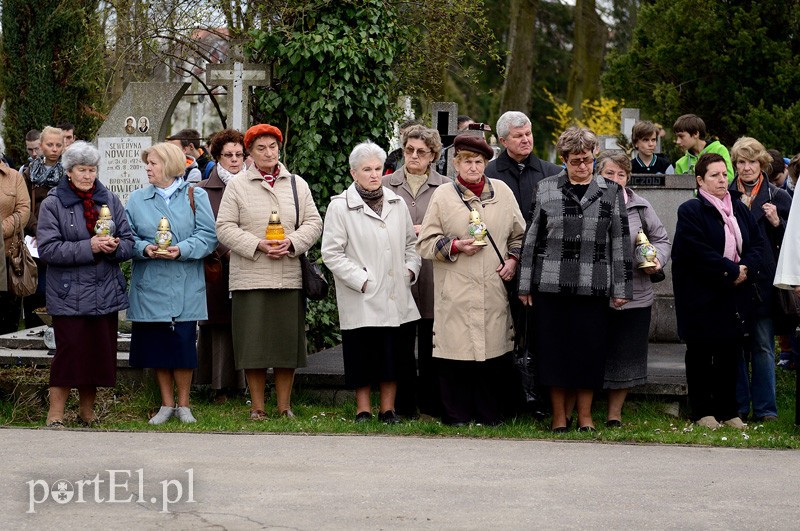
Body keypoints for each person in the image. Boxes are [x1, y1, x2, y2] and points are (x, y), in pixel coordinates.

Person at [518, 127, 633, 433]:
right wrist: (524, 284)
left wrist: (621, 287)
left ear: (594, 156)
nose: (582, 166)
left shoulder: (610, 190)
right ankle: (558, 416)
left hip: (593, 284)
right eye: (575, 161)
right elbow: (531, 239)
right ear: (564, 159)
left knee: (589, 351)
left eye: (587, 159)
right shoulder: (545, 188)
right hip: (550, 284)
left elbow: (620, 241)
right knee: (553, 352)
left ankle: (585, 416)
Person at [417, 134, 525, 426]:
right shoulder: (443, 196)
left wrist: (513, 260)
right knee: (456, 354)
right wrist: (455, 246)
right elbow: (425, 243)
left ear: (486, 164)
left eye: (478, 162)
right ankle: (456, 415)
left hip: (492, 287)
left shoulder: (502, 192)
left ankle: (490, 414)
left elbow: (519, 234)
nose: (473, 167)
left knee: (492, 354)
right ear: (456, 164)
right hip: (456, 288)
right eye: (467, 162)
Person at [216, 124, 322, 420]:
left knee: (287, 344)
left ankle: (285, 406)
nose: (268, 153)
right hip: (250, 277)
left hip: (288, 275)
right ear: (249, 153)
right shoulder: (238, 186)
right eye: (260, 148)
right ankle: (257, 407)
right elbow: (224, 228)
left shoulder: (296, 184)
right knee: (254, 345)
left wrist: (291, 242)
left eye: (272, 147)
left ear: (280, 149)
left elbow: (314, 223)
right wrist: (258, 245)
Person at [36, 141, 134, 427]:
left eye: (92, 170)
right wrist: (89, 246)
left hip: (104, 290)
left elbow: (129, 242)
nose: (88, 176)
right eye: (82, 170)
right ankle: (55, 414)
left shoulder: (110, 200)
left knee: (96, 354)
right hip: (69, 293)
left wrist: (115, 247)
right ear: (69, 171)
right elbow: (48, 249)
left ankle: (87, 414)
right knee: (69, 355)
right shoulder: (53, 203)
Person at [323, 141, 421, 424]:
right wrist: (362, 280)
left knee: (393, 353)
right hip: (362, 295)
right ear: (354, 172)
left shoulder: (396, 202)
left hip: (395, 291)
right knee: (361, 352)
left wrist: (409, 272)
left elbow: (411, 246)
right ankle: (362, 409)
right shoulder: (340, 207)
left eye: (378, 168)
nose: (374, 174)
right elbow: (331, 252)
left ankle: (387, 410)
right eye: (367, 169)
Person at [672, 153, 767, 430]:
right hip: (701, 294)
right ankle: (703, 411)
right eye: (715, 175)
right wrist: (731, 270)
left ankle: (729, 411)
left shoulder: (739, 208)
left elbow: (757, 244)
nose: (722, 180)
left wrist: (745, 268)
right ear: (700, 180)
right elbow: (697, 250)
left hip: (734, 294)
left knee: (729, 352)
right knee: (702, 353)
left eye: (725, 174)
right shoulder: (691, 210)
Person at [125, 142, 217, 425]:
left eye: (153, 163)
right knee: (157, 345)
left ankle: (185, 404)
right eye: (148, 163)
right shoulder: (137, 199)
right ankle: (166, 404)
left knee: (183, 344)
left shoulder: (194, 194)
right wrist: (144, 249)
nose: (148, 168)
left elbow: (208, 236)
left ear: (169, 165)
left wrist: (183, 249)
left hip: (185, 282)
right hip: (150, 282)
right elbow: (126, 238)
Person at [595, 151, 671, 427]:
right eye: (609, 174)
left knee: (628, 353)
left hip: (635, 293)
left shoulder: (640, 206)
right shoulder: (588, 203)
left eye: (621, 174)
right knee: (594, 351)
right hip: (595, 293)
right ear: (597, 175)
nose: (615, 179)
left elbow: (661, 239)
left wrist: (655, 260)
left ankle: (614, 413)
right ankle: (586, 411)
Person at [382, 125, 449, 418]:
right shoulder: (386, 184)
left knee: (433, 345)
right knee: (401, 344)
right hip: (399, 273)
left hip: (435, 274)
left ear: (433, 155)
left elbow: (455, 225)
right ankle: (404, 406)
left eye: (421, 152)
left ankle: (432, 406)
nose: (414, 156)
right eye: (409, 150)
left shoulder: (446, 186)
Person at [728, 137, 790, 422]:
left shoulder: (778, 195)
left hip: (765, 281)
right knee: (737, 346)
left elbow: (793, 240)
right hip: (736, 279)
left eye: (752, 161)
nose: (747, 167)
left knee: (764, 345)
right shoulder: (726, 194)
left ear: (762, 163)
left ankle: (766, 410)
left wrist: (778, 223)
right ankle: (739, 407)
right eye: (741, 162)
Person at [194, 129, 248, 399]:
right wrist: (227, 250)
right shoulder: (202, 190)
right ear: (217, 157)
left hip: (250, 264)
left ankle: (243, 385)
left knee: (245, 325)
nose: (235, 160)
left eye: (239, 154)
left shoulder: (254, 185)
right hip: (217, 267)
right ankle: (216, 386)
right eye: (228, 155)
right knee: (218, 328)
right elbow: (203, 228)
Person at [485, 111, 562, 222]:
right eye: (518, 136)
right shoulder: (488, 174)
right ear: (503, 141)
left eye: (528, 134)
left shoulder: (554, 173)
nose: (526, 140)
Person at [23, 126, 65, 328]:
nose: (54, 149)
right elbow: (24, 205)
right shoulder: (29, 173)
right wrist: (37, 229)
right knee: (36, 289)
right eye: (50, 144)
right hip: (35, 238)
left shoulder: (69, 172)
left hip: (61, 236)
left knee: (57, 286)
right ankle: (34, 329)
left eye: (59, 145)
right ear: (40, 146)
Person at [0, 160, 30, 333]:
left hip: (8, 256)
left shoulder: (14, 177)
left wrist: (1, 229)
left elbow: (23, 210)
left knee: (7, 315)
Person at [673, 114, 734, 180]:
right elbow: (679, 189)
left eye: (681, 136)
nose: (678, 141)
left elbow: (729, 178)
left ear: (696, 134)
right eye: (677, 137)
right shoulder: (680, 164)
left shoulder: (719, 150)